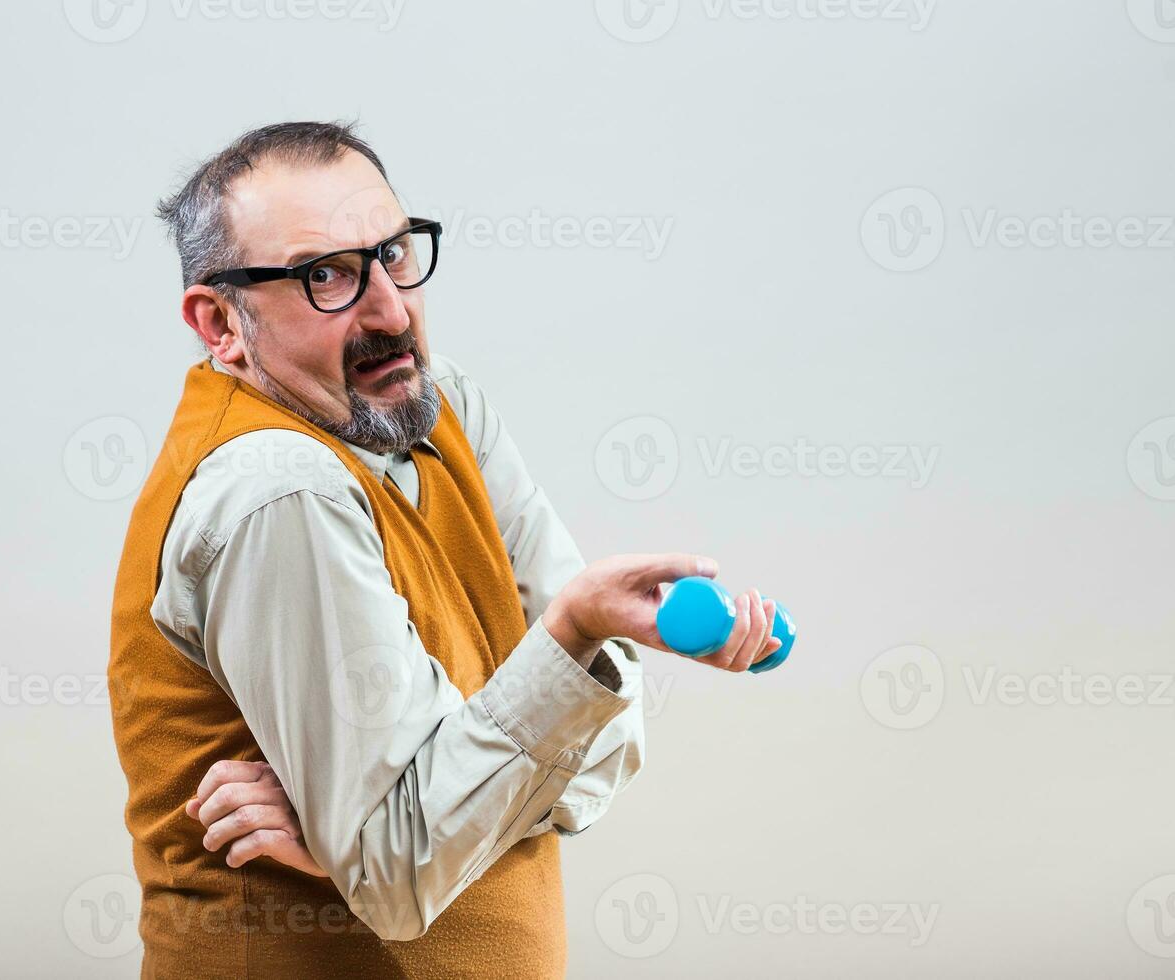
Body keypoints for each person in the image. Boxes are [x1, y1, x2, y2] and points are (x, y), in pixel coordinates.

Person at [108, 120, 783, 979]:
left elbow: (611, 741)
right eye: (327, 277)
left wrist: (388, 828)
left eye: (392, 254)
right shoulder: (279, 488)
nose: (390, 311)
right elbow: (402, 875)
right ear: (219, 323)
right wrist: (566, 642)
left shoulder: (441, 403)